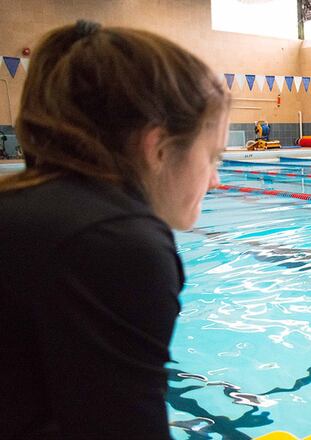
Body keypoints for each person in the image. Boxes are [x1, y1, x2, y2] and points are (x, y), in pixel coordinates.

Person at [0, 20, 230, 438]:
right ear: (158, 147)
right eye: (213, 156)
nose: (216, 180)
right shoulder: (117, 242)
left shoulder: (27, 205)